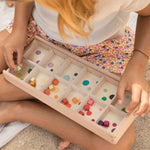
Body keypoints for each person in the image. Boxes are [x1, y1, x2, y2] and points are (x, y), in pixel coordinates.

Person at [0, 0, 150, 149]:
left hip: (99, 53)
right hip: (38, 33)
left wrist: (137, 64)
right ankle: (55, 104)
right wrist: (18, 30)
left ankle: (17, 109)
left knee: (119, 143)